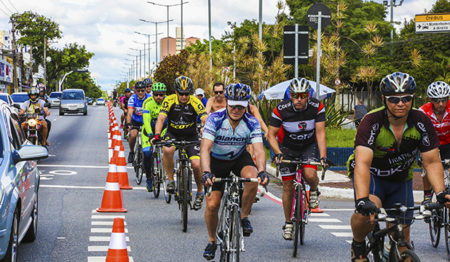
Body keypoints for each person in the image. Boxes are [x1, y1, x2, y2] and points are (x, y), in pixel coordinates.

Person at [347, 72, 450, 262]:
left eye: (406, 98)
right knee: (366, 214)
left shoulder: (421, 121)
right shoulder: (372, 122)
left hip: (401, 178)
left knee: (403, 240)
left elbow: (432, 161)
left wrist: (441, 193)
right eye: (394, 99)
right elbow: (362, 163)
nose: (400, 103)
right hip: (373, 176)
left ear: (412, 98)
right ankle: (358, 244)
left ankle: (395, 250)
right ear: (384, 99)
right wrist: (362, 199)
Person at [201, 83, 269, 260]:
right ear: (227, 103)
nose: (236, 110)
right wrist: (206, 172)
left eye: (240, 106)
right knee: (212, 204)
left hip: (238, 158)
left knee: (253, 177)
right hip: (216, 161)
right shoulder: (215, 119)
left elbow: (259, 150)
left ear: (247, 106)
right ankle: (212, 240)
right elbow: (205, 149)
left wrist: (262, 171)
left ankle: (244, 216)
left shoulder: (251, 122)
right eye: (232, 105)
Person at [267, 77, 327, 240]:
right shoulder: (281, 109)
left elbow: (320, 132)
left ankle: (314, 190)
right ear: (290, 95)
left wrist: (323, 156)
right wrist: (277, 153)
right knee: (288, 186)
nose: (299, 99)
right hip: (287, 148)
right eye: (295, 95)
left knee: (309, 175)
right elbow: (270, 135)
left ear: (309, 95)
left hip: (308, 146)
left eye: (303, 95)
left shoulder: (317, 107)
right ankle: (288, 223)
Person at [152, 76, 207, 210]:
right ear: (176, 92)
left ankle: (200, 192)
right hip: (173, 134)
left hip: (191, 135)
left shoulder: (195, 101)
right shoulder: (169, 100)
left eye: (187, 94)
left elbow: (205, 118)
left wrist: (205, 131)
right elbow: (160, 119)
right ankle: (170, 180)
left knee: (195, 164)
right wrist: (158, 135)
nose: (184, 97)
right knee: (167, 150)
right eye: (181, 94)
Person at [419, 81, 450, 204]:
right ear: (430, 99)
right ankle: (427, 195)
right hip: (432, 145)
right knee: (426, 166)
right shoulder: (423, 112)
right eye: (437, 101)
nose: (441, 104)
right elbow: (419, 135)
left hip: (448, 144)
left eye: (444, 100)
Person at [141, 82, 168, 192]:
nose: (158, 97)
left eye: (161, 95)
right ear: (153, 94)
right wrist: (151, 134)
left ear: (164, 94)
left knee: (168, 149)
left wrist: (164, 135)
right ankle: (148, 178)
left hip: (163, 128)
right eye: (156, 94)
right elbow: (146, 120)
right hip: (149, 130)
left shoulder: (168, 102)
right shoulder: (147, 102)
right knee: (147, 153)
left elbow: (170, 120)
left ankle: (166, 169)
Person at [126, 81, 151, 163]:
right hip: (135, 120)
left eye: (142, 90)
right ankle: (132, 152)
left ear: (145, 90)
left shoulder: (149, 98)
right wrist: (129, 123)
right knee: (133, 135)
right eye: (138, 91)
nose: (140, 92)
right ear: (135, 91)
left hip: (146, 121)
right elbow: (129, 112)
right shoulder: (132, 98)